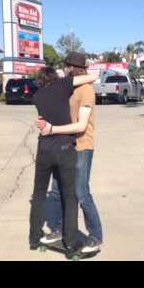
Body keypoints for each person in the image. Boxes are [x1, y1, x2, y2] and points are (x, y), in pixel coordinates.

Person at [36, 52, 103, 254]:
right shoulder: (68, 87)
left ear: (71, 67)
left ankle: (96, 236)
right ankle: (58, 229)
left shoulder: (86, 91)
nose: (63, 70)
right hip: (64, 146)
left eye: (65, 66)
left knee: (81, 192)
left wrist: (52, 129)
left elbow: (81, 125)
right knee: (57, 190)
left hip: (82, 146)